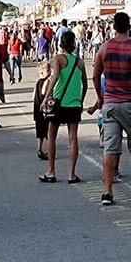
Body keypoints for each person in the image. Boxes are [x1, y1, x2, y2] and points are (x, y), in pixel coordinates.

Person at [89, 12, 131, 206]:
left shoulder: (104, 48)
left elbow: (95, 76)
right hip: (130, 103)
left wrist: (100, 97)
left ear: (113, 26)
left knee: (110, 148)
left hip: (110, 104)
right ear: (129, 26)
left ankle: (108, 192)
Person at [38, 30, 85, 185]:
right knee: (73, 137)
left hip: (59, 102)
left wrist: (46, 97)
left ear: (61, 44)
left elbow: (55, 76)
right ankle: (72, 174)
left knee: (51, 135)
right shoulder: (80, 62)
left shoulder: (57, 59)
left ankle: (51, 171)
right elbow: (85, 84)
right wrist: (81, 100)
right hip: (74, 103)